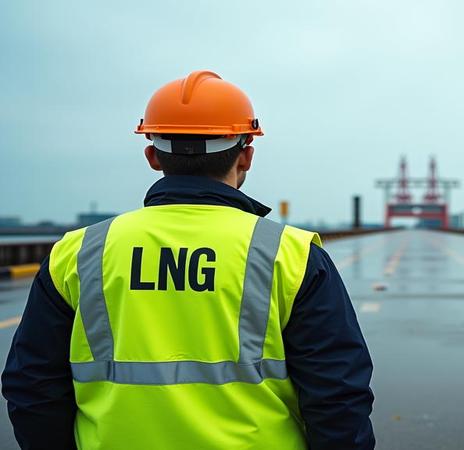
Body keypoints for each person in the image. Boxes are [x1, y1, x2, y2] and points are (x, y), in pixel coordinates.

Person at [2, 70, 375, 450]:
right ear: (246, 155)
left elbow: (32, 386)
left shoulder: (79, 252)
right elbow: (338, 397)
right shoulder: (290, 255)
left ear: (152, 155)